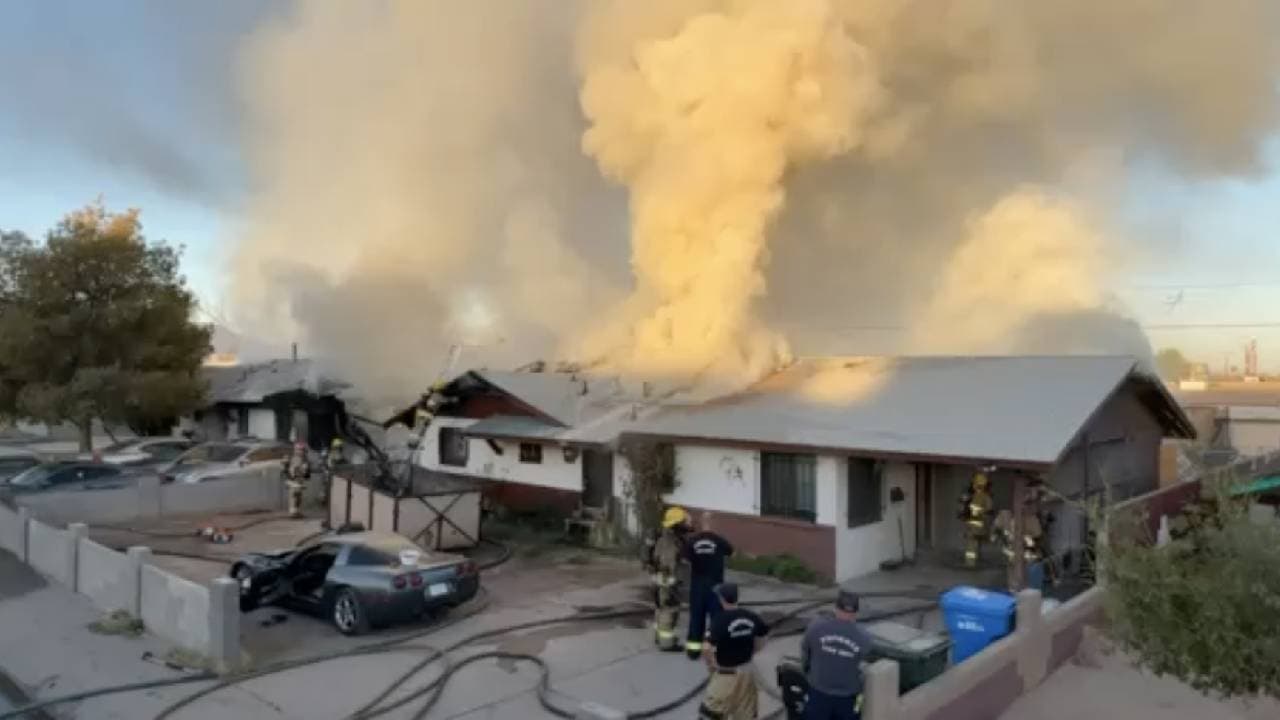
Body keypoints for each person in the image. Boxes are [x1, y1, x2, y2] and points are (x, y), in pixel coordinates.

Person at [800, 589, 873, 720]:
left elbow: (805, 655)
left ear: (836, 608)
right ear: (856, 613)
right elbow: (865, 667)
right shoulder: (865, 637)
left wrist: (807, 673)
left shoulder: (815, 628)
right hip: (849, 699)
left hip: (818, 694)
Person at [700, 582, 767, 719]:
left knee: (710, 713)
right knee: (746, 714)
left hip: (726, 675)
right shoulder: (751, 616)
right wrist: (751, 652)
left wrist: (712, 665)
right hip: (747, 674)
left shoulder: (719, 620)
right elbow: (762, 638)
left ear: (722, 599)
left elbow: (706, 648)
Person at [684, 512, 734, 660]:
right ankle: (716, 650)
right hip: (715, 585)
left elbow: (685, 558)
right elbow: (730, 551)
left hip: (697, 586)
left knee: (696, 617)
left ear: (701, 523)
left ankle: (693, 651)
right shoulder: (720, 541)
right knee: (716, 618)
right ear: (713, 523)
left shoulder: (692, 541)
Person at [645, 505, 689, 651]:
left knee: (660, 609)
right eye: (684, 521)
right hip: (667, 582)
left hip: (660, 580)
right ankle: (667, 643)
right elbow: (668, 564)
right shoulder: (670, 542)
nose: (686, 524)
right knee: (669, 610)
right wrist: (671, 584)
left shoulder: (666, 537)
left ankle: (660, 637)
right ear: (677, 524)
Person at [284, 441, 311, 519]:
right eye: (301, 450)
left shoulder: (304, 459)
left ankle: (296, 512)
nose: (302, 452)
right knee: (294, 495)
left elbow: (306, 473)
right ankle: (293, 512)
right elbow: (293, 471)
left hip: (298, 480)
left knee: (298, 496)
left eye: (303, 450)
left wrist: (305, 471)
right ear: (296, 450)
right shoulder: (296, 459)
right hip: (294, 480)